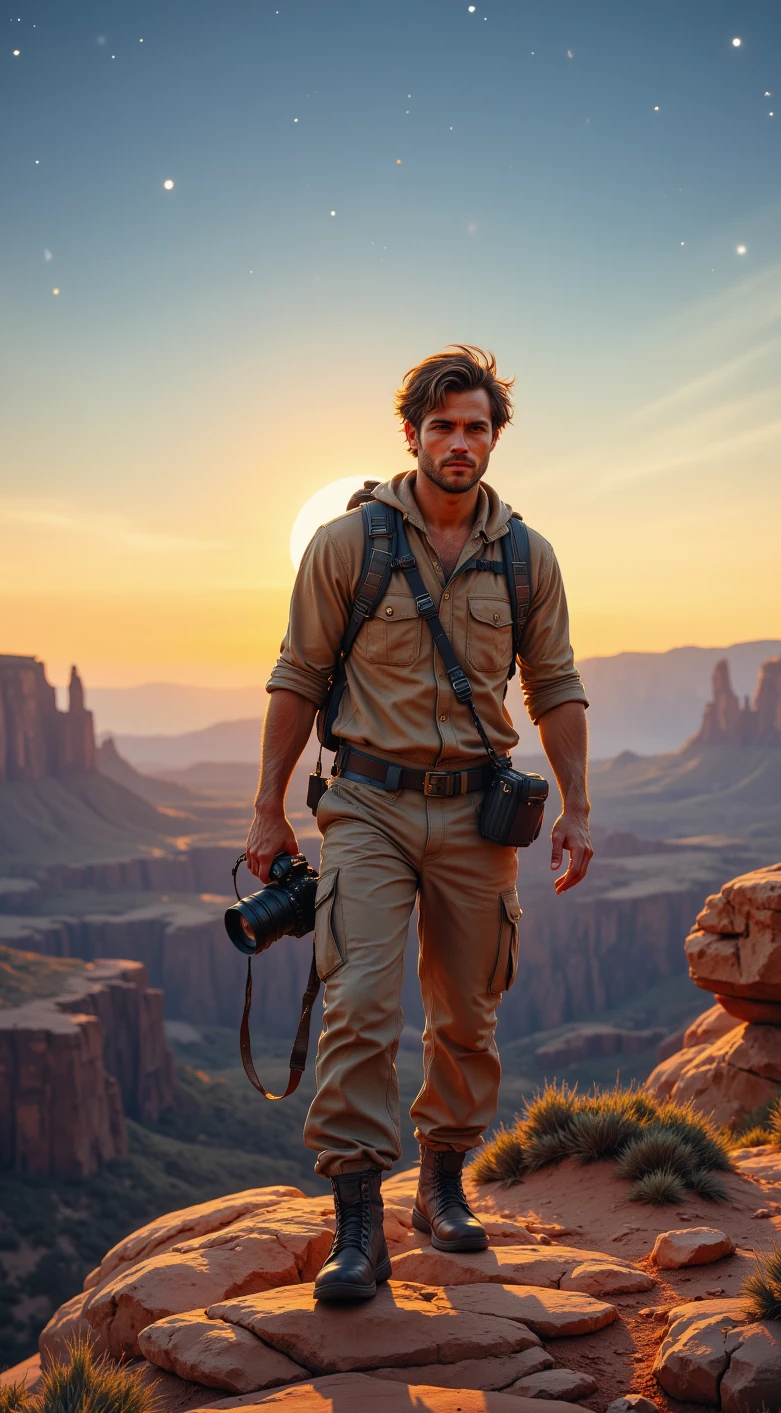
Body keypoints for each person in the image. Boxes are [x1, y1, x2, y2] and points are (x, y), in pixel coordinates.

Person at [245, 345, 592, 1302]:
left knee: (469, 1010)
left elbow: (555, 684)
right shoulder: (346, 545)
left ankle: (442, 1182)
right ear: (412, 435)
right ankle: (359, 1221)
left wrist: (578, 806)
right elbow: (296, 676)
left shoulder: (527, 558)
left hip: (481, 813)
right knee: (359, 1000)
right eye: (442, 426)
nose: (459, 442)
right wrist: (267, 806)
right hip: (366, 806)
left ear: (494, 438)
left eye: (476, 426)